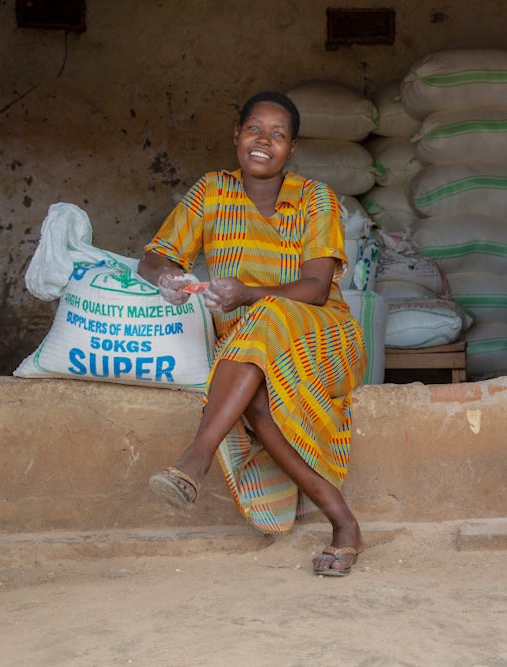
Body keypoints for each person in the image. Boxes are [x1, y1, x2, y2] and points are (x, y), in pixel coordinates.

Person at [139, 91, 366, 577]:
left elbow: (317, 287)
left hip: (323, 335)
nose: (264, 141)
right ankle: (345, 524)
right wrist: (166, 278)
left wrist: (247, 295)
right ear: (236, 136)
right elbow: (156, 255)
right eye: (254, 129)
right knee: (257, 397)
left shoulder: (315, 198)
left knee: (266, 314)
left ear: (292, 148)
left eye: (278, 135)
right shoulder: (211, 192)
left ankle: (195, 459)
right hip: (252, 345)